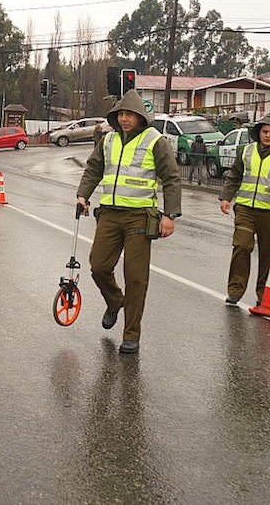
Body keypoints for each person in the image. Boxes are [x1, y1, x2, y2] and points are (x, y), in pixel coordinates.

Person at [76, 90, 182, 354]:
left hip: (139, 216)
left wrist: (170, 215)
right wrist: (82, 196)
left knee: (136, 277)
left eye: (129, 115)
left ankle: (131, 334)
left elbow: (171, 178)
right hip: (110, 214)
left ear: (140, 117)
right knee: (98, 266)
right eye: (120, 114)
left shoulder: (155, 141)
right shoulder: (109, 140)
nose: (124, 119)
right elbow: (93, 169)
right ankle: (114, 301)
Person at [219, 114, 270, 305]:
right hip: (245, 209)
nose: (267, 135)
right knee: (241, 246)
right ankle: (235, 290)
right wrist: (226, 197)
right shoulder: (246, 151)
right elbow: (234, 177)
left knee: (268, 253)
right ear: (258, 133)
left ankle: (263, 294)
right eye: (264, 131)